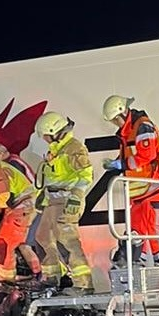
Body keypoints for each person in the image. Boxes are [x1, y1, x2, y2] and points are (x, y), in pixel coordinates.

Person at [101, 95, 159, 267]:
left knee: (152, 224)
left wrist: (121, 164)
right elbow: (134, 155)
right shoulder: (130, 130)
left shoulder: (142, 126)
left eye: (115, 120)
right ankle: (136, 259)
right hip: (141, 187)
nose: (114, 123)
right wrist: (121, 163)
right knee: (136, 225)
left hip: (154, 183)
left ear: (122, 113)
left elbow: (146, 155)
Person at [33, 112, 95, 294]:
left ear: (53, 131)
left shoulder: (73, 148)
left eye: (45, 135)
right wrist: (41, 200)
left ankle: (84, 284)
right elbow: (52, 179)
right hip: (52, 201)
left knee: (67, 240)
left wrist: (76, 195)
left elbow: (86, 175)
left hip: (68, 200)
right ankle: (52, 278)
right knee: (42, 236)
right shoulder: (56, 150)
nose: (44, 139)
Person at [0, 146, 43, 283]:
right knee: (21, 244)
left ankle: (6, 280)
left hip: (24, 204)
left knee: (4, 241)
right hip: (19, 205)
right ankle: (40, 275)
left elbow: (3, 199)